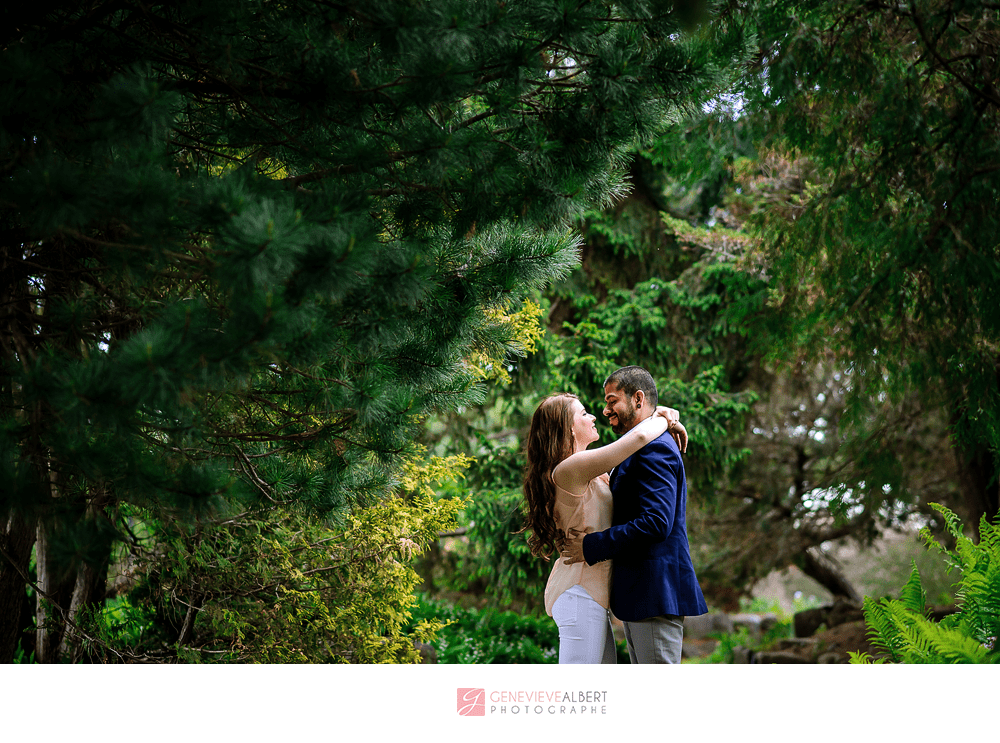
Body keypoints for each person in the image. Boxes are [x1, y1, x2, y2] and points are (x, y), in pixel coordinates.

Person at [522, 392, 687, 664]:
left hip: (592, 595)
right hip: (578, 591)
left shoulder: (588, 468)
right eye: (583, 413)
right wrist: (662, 415)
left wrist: (664, 414)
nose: (593, 416)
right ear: (568, 427)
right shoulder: (570, 468)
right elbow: (639, 438)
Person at [561, 366, 708, 664]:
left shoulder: (656, 450)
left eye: (612, 400)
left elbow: (656, 523)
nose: (605, 409)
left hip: (654, 592)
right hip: (641, 595)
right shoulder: (639, 447)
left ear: (638, 399)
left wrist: (590, 546)